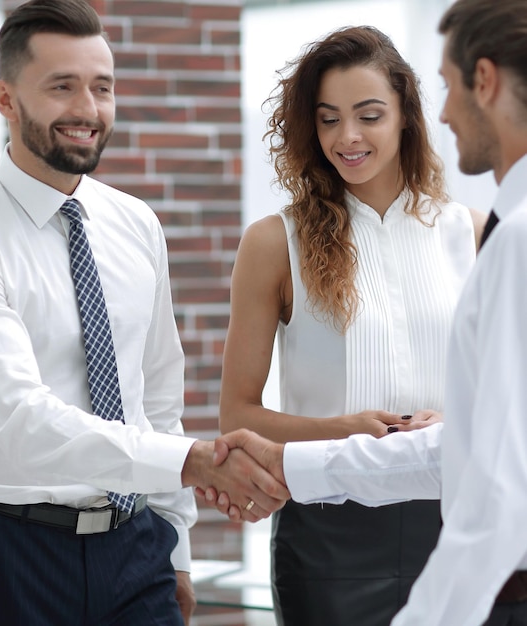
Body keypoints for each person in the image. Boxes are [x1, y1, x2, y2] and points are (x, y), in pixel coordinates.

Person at [0, 1, 289, 625]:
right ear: (5, 99)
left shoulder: (135, 223)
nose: (88, 109)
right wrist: (191, 462)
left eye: (102, 87)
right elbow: (20, 418)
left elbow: (155, 395)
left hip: (137, 548)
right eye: (62, 87)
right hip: (8, 551)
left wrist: (177, 549)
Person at [213, 2, 527, 623]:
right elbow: (236, 414)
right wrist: (346, 428)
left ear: (408, 115)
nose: (346, 138)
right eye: (328, 120)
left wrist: (451, 422)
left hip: (455, 526)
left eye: (369, 115)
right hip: (329, 543)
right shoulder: (275, 242)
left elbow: (502, 407)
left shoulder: (475, 232)